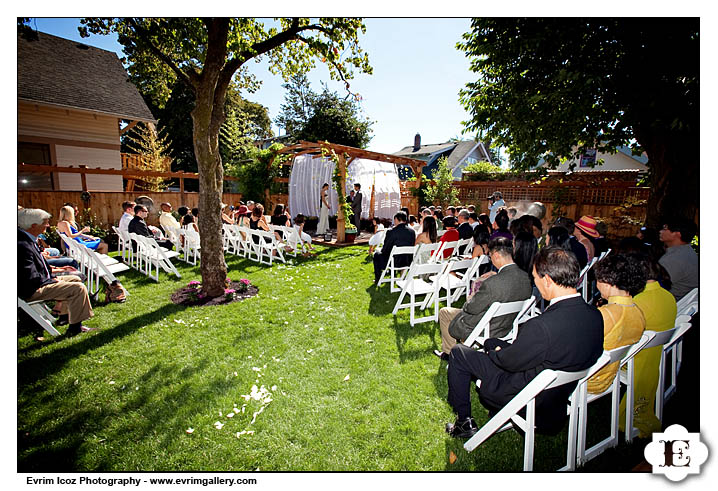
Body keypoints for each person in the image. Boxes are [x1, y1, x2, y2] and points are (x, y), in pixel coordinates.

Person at [444, 246, 604, 438]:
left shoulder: (542, 327)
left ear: (547, 280)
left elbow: (509, 362)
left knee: (459, 352)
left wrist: (492, 349)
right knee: (492, 343)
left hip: (524, 394)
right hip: (555, 396)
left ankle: (463, 422)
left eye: (535, 277)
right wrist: (496, 345)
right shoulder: (595, 316)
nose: (534, 281)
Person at [434, 237, 532, 360]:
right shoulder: (525, 278)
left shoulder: (493, 283)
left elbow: (472, 308)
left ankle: (450, 354)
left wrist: (469, 301)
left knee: (445, 312)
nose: (491, 260)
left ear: (496, 255)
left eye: (490, 257)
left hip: (485, 328)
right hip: (506, 327)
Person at [616, 251, 676, 438]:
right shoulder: (668, 296)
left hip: (630, 358)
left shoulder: (637, 302)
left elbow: (618, 336)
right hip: (653, 358)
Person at [18, 208, 95, 336]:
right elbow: (28, 276)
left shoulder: (28, 239)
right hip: (30, 290)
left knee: (75, 278)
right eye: (45, 223)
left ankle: (64, 317)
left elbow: (38, 266)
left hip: (37, 282)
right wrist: (51, 280)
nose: (48, 225)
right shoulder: (22, 245)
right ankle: (75, 328)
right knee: (77, 288)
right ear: (33, 226)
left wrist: (58, 270)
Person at [586, 253, 647, 394]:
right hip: (609, 377)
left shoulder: (604, 315)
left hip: (587, 377)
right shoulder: (639, 314)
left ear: (608, 282)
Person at [658, 218, 698, 301]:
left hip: (670, 303)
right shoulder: (688, 252)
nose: (660, 231)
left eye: (665, 229)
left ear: (677, 234)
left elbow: (653, 285)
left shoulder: (674, 259)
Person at [372, 211, 415, 284]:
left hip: (394, 262)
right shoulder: (412, 232)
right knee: (392, 254)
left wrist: (381, 251)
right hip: (407, 261)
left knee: (376, 255)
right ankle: (394, 274)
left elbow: (385, 249)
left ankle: (378, 279)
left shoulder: (391, 232)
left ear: (396, 219)